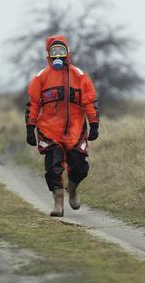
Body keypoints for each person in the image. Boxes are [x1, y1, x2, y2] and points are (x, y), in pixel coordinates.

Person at [25, 35, 100, 217]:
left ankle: (72, 189)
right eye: (54, 51)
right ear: (48, 54)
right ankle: (58, 203)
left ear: (67, 53)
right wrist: (30, 127)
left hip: (75, 129)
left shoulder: (79, 76)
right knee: (53, 167)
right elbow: (33, 104)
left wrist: (94, 124)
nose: (58, 55)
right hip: (50, 130)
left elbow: (90, 102)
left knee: (80, 167)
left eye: (61, 51)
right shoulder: (41, 78)